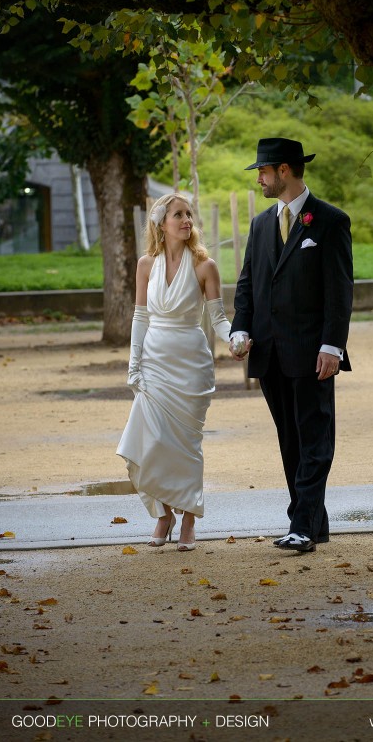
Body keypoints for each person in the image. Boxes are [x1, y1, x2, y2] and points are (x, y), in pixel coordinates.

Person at [230, 137, 353, 553]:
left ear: (284, 170)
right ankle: (313, 524)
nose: (259, 178)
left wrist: (332, 347)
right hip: (269, 353)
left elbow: (340, 291)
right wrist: (239, 329)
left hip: (313, 353)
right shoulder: (261, 223)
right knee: (290, 439)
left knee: (315, 439)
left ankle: (300, 525)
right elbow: (248, 282)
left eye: (263, 170)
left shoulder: (331, 222)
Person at [117, 192, 231, 552]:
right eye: (178, 215)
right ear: (161, 223)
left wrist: (239, 340)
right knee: (152, 443)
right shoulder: (145, 265)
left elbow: (219, 320)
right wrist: (134, 364)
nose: (187, 220)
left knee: (186, 446)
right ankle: (163, 514)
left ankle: (189, 520)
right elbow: (140, 316)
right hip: (154, 364)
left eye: (189, 214)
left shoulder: (204, 266)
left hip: (191, 366)